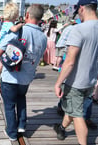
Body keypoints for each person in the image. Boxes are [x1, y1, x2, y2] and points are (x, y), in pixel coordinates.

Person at [0, 4, 47, 141]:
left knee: (9, 105)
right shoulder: (43, 37)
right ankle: (22, 125)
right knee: (21, 98)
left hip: (10, 76)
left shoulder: (19, 30)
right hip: (27, 77)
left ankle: (12, 133)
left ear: (27, 15)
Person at [54, 0, 98, 144]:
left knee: (77, 114)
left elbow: (70, 61)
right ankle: (61, 128)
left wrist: (58, 83)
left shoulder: (78, 29)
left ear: (82, 8)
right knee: (73, 109)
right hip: (91, 81)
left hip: (76, 82)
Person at [0, 2, 23, 89]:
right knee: (3, 63)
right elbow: (14, 29)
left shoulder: (5, 22)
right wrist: (21, 24)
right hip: (4, 46)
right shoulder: (9, 24)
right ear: (14, 15)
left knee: (2, 63)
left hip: (1, 43)